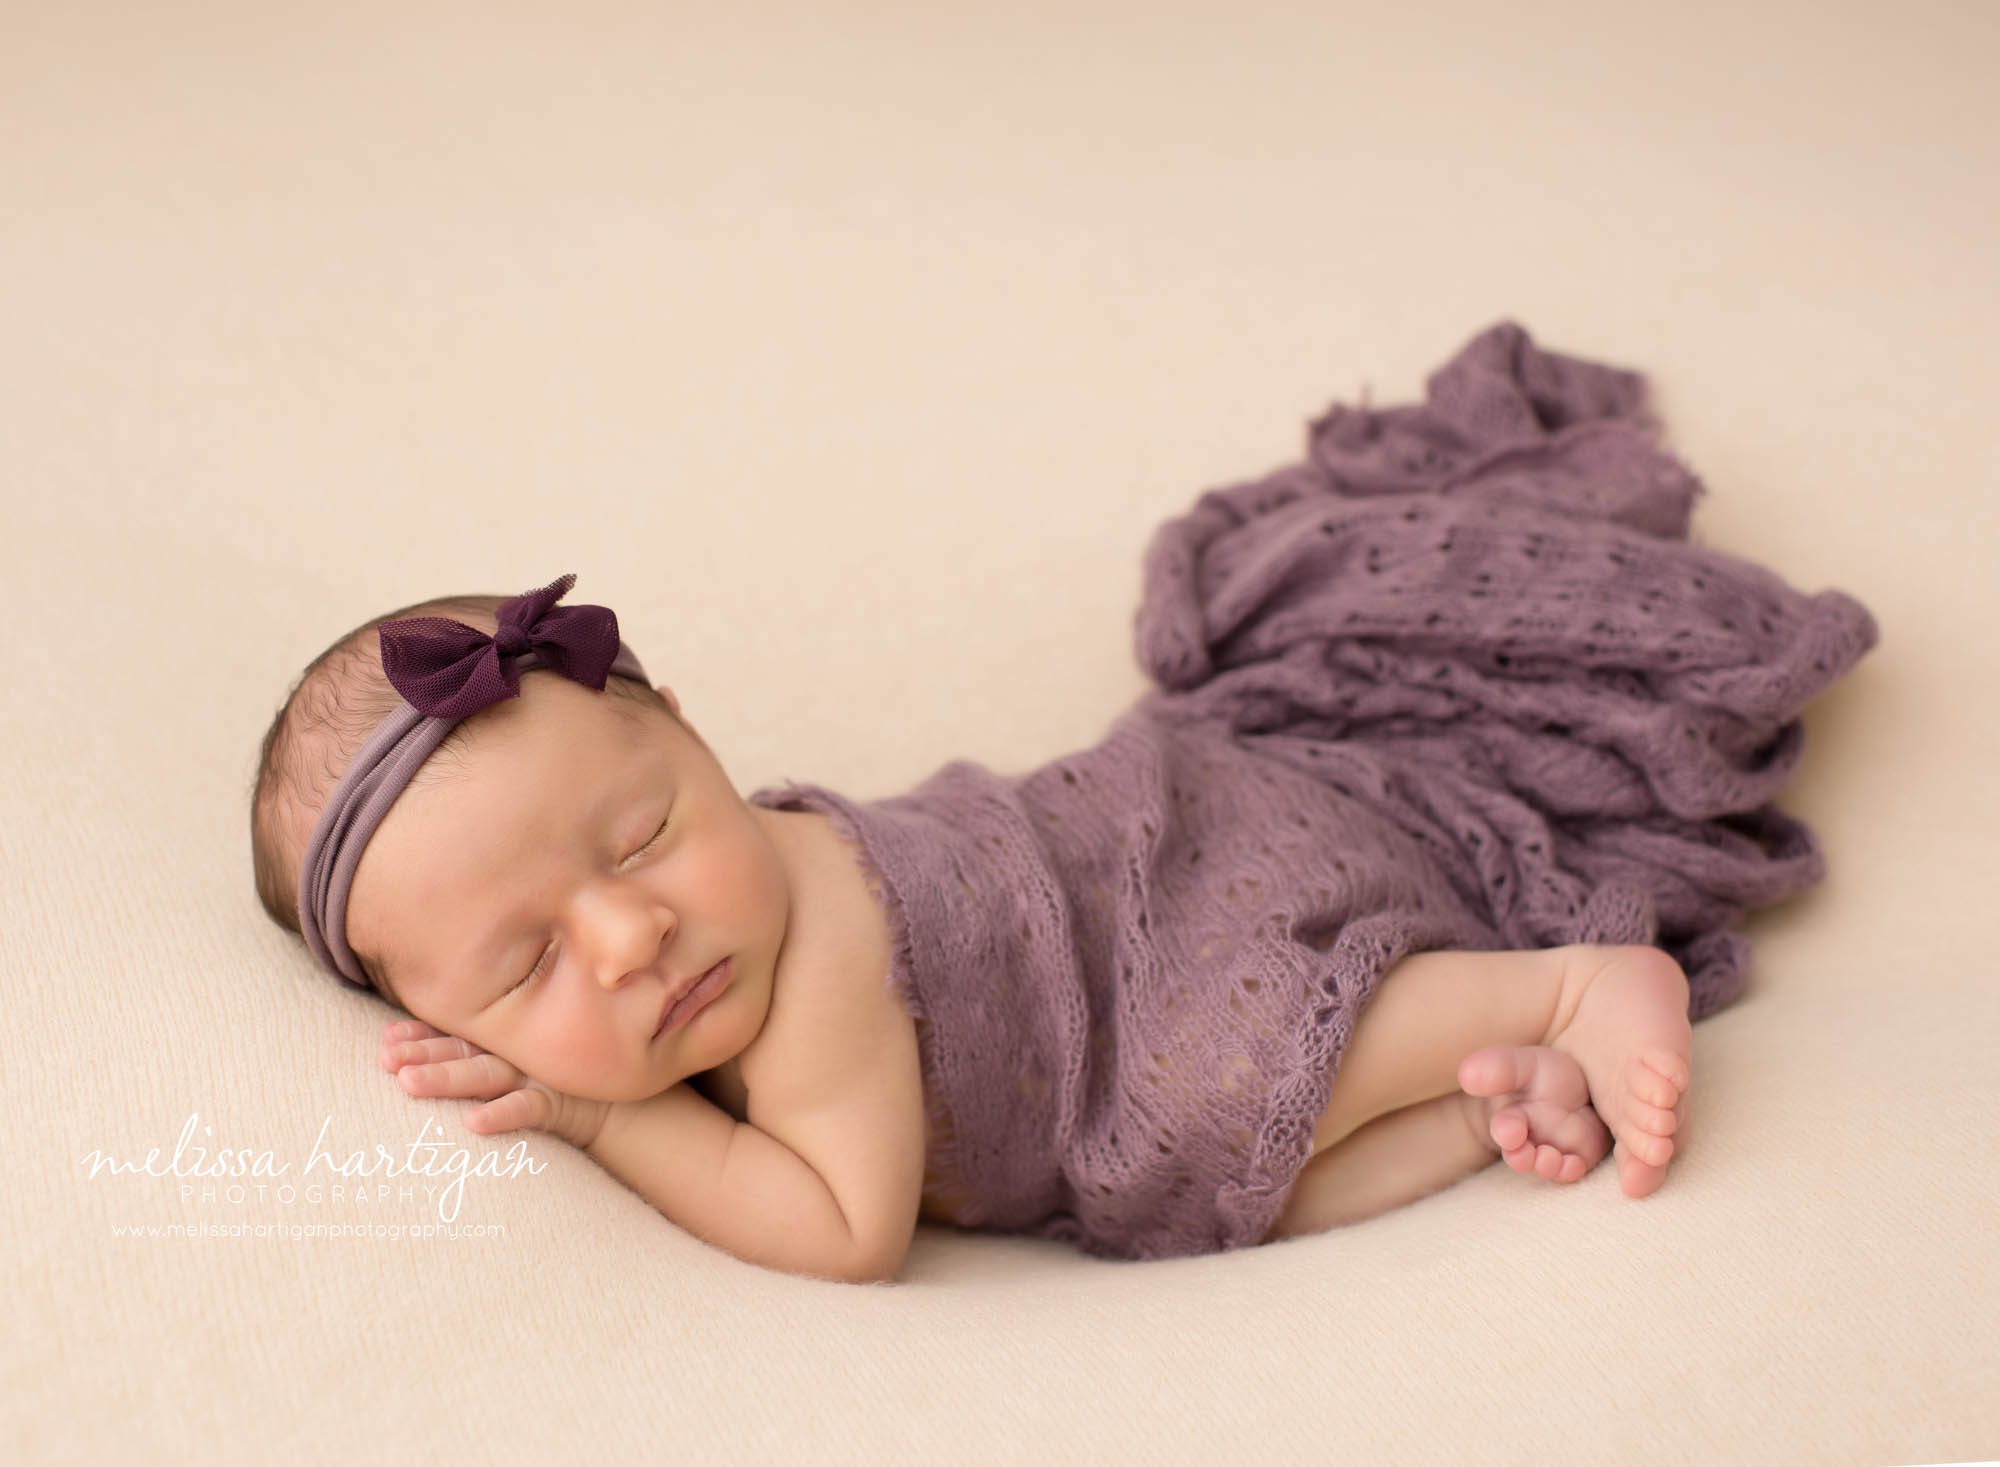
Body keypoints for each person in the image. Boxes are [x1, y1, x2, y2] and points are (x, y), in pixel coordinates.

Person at [247, 321, 1879, 1281]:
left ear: (693, 735)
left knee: (1230, 1078)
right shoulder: (719, 934)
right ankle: (1475, 1093)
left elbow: (845, 1229)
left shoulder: (809, 983)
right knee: (1240, 1194)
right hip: (1118, 977)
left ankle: (1568, 990)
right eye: (528, 966)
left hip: (1183, 915)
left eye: (646, 834)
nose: (631, 935)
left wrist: (607, 1114)